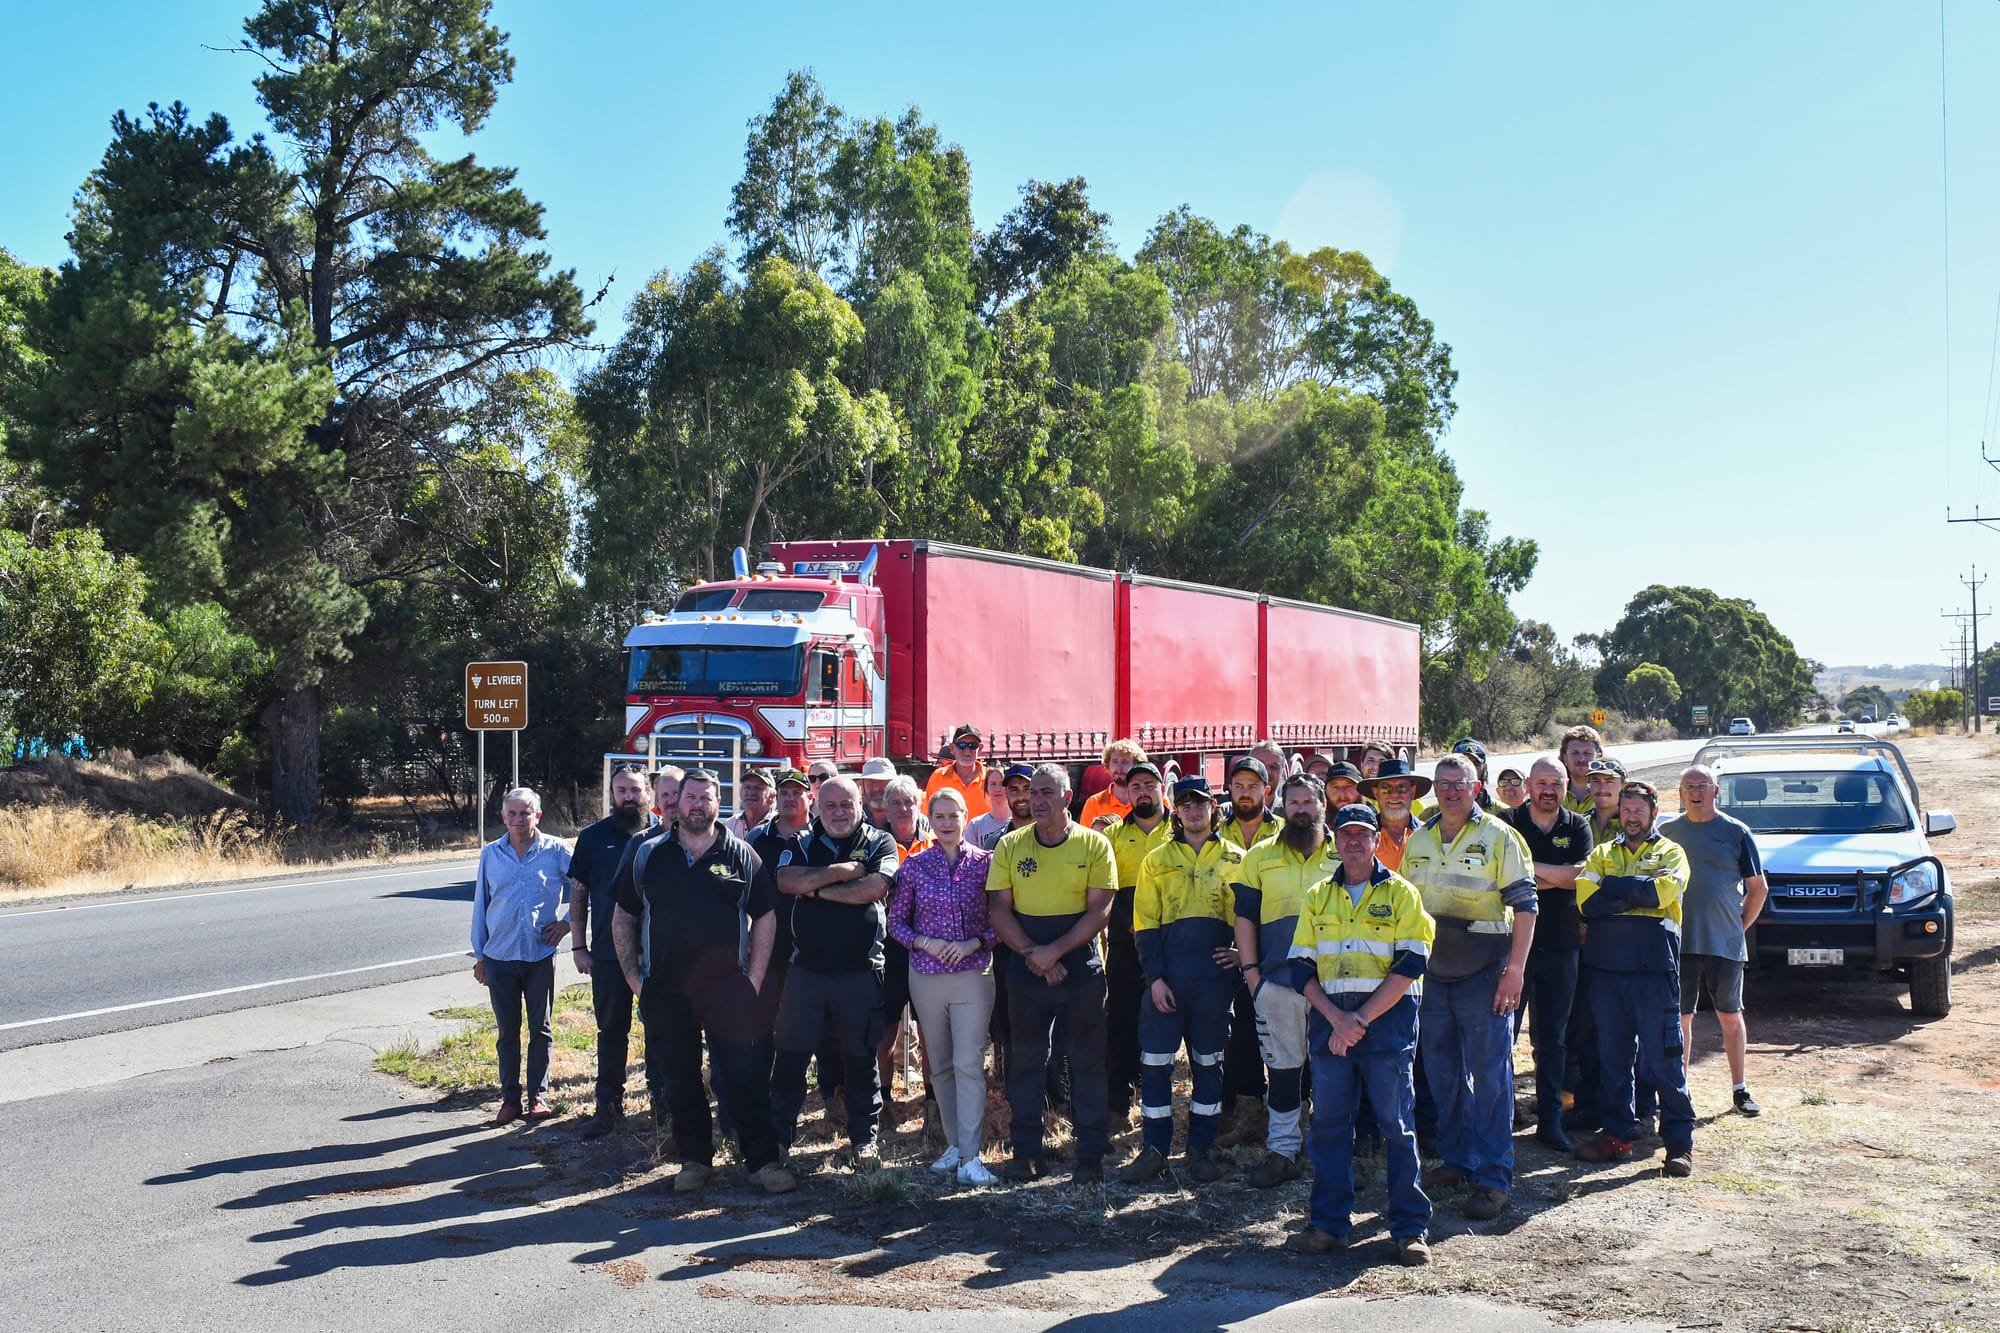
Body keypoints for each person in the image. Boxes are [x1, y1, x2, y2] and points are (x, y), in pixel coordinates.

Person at [609, 771, 796, 1194]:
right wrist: (634, 978)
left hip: (729, 989)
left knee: (743, 1075)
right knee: (680, 1077)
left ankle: (762, 1163)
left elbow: (766, 916)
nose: (696, 805)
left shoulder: (742, 854)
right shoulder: (648, 853)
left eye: (705, 798)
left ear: (717, 803)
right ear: (676, 804)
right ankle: (695, 1160)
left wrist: (755, 977)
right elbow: (623, 915)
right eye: (689, 797)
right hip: (666, 989)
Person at [1281, 802, 1435, 1266]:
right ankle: (1329, 1227)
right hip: (1331, 1022)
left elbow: (1411, 964)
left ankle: (1410, 1230)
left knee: (1396, 1125)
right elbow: (1299, 966)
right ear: (1334, 840)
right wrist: (1337, 1019)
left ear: (1374, 840)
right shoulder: (1316, 897)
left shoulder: (1403, 894)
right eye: (1344, 834)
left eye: (1361, 834)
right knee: (1329, 1125)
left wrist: (1358, 1021)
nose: (1353, 842)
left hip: (1385, 1020)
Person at [1399, 753, 1537, 1221]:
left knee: (1492, 1077)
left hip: (1485, 974)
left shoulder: (1501, 837)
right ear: (1434, 789)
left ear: (1477, 788)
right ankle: (1458, 1162)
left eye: (1460, 783)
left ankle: (1494, 1177)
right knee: (1442, 1076)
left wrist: (1515, 970)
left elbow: (1525, 907)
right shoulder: (1418, 839)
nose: (1452, 791)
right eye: (1444, 784)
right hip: (1433, 977)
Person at [987, 764, 1116, 1183]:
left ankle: (1090, 1156)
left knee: (1087, 1062)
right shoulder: (1011, 846)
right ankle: (1026, 1153)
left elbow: (1100, 910)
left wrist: (1055, 952)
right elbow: (998, 909)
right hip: (1026, 968)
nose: (1035, 800)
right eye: (1029, 793)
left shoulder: (1094, 845)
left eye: (1045, 792)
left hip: (1079, 966)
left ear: (1067, 796)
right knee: (1025, 1062)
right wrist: (1032, 953)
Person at [769, 776, 901, 1168]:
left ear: (860, 804)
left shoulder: (881, 842)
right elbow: (785, 879)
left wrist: (815, 888)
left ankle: (864, 1141)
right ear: (817, 808)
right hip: (806, 972)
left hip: (861, 972)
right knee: (791, 1058)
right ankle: (778, 1141)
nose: (839, 812)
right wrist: (842, 871)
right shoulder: (802, 842)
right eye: (831, 806)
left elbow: (874, 889)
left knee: (861, 1060)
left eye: (846, 804)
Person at [1120, 777, 1245, 1184]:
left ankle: (1200, 1151)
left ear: (1214, 808)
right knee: (1155, 1067)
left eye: (1201, 804)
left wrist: (1244, 957)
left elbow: (1248, 919)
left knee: (1209, 1067)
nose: (1193, 811)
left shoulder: (1237, 859)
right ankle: (1154, 1150)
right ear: (1176, 810)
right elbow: (1145, 926)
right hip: (1166, 982)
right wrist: (1154, 978)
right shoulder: (1156, 860)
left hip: (1213, 984)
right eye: (1185, 804)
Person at [1573, 782, 1698, 1177]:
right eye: (1625, 810)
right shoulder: (1602, 852)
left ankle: (1679, 1145)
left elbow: (1662, 893)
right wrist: (1633, 892)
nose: (1630, 816)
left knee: (1664, 1062)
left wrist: (1611, 885)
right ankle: (1616, 1137)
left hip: (1653, 972)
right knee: (1613, 1059)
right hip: (1607, 972)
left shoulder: (1671, 852)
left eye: (1638, 810)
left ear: (1654, 812)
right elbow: (1586, 902)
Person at [1233, 773, 1341, 1188]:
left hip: (1336, 984)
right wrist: (1252, 975)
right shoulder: (1259, 856)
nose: (1300, 810)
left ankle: (1333, 1155)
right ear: (1281, 806)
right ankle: (1282, 1152)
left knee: (1334, 1071)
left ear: (1322, 806)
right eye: (1292, 802)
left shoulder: (1343, 851)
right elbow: (1244, 917)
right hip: (1276, 982)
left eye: (1308, 803)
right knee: (1283, 1069)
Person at [888, 787, 1000, 1186]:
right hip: (926, 975)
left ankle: (972, 1155)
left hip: (973, 973)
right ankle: (955, 1144)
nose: (948, 823)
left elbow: (999, 921)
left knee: (970, 1062)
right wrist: (925, 942)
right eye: (940, 817)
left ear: (966, 817)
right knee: (942, 1064)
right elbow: (896, 923)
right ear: (929, 821)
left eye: (955, 816)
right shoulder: (916, 866)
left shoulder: (986, 864)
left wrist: (975, 942)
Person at [1662, 764, 1768, 1117]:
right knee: (1681, 1018)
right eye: (1688, 786)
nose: (1695, 792)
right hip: (1680, 940)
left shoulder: (1736, 832)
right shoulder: (1667, 831)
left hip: (1724, 942)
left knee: (1730, 1015)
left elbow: (1758, 889)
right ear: (1680, 792)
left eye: (1702, 786)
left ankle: (1740, 1090)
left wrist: (1738, 926)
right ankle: (1681, 1089)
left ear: (1715, 792)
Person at [1499, 758, 1593, 1150]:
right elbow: (1500, 880)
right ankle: (1500, 1117)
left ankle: (1550, 1121)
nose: (1549, 790)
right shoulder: (1507, 823)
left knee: (1552, 1040)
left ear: (1566, 785)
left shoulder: (1577, 826)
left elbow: (1581, 876)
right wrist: (1557, 874)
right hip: (1512, 949)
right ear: (1529, 785)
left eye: (1556, 783)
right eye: (1542, 783)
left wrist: (1528, 871)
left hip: (1561, 946)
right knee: (1501, 1037)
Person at [470, 787, 571, 1126]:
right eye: (512, 813)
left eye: (525, 813)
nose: (518, 819)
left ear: (537, 816)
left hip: (540, 954)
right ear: (503, 817)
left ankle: (537, 1096)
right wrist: (481, 956)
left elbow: (585, 888)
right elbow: (480, 906)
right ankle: (509, 1100)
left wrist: (567, 924)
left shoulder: (556, 850)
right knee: (507, 1031)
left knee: (540, 1028)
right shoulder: (491, 854)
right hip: (499, 956)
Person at [567, 766, 657, 1138]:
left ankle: (662, 1107)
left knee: (660, 1030)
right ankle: (607, 1108)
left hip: (656, 953)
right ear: (611, 793)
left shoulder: (666, 833)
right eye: (621, 790)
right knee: (611, 1030)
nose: (628, 797)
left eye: (635, 790)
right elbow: (578, 893)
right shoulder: (592, 837)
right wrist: (578, 946)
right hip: (606, 953)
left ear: (648, 793)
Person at [1104, 761, 1171, 1123]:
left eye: (1149, 784)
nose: (1142, 791)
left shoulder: (1178, 830)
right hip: (1126, 941)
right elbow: (1105, 889)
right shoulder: (1114, 836)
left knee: (1173, 1019)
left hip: (1171, 939)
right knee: (1122, 1018)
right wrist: (1130, 924)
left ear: (1162, 788)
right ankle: (1117, 1102)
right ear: (1127, 794)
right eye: (1135, 786)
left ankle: (1166, 1099)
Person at [1217, 755, 1277, 1140]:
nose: (1245, 792)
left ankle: (1291, 1110)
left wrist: (1255, 954)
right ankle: (1247, 1112)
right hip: (1225, 951)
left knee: (1281, 1032)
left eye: (1253, 786)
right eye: (1238, 785)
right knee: (1238, 1034)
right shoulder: (1214, 830)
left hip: (1272, 950)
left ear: (1266, 790)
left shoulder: (1287, 831)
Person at [877, 775, 936, 1142]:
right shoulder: (876, 844)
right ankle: (883, 1102)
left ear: (919, 805)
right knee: (884, 1032)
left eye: (909, 802)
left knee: (930, 1031)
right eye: (895, 802)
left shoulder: (932, 843)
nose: (903, 808)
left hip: (927, 947)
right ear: (885, 807)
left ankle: (933, 1106)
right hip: (888, 949)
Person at [1357, 759, 1429, 874]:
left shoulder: (1430, 834)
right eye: (1386, 788)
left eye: (1402, 788)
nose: (1395, 795)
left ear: (1412, 792)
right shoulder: (1361, 837)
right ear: (1376, 793)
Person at [1081, 739, 1148, 830]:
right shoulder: (1094, 803)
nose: (1119, 768)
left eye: (1125, 762)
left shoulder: (1153, 799)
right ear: (1108, 766)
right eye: (1115, 761)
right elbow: (1085, 840)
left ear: (1137, 766)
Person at [924, 724, 989, 812]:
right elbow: (929, 812)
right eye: (961, 745)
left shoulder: (991, 779)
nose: (967, 751)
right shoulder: (938, 777)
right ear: (952, 748)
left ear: (980, 749)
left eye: (973, 745)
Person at [1558, 725, 1605, 817]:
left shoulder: (1609, 794)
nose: (1581, 759)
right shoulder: (1554, 792)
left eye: (1587, 753)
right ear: (1565, 757)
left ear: (1599, 757)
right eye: (1575, 753)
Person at [965, 764, 1013, 851]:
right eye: (993, 784)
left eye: (1002, 784)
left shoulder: (1021, 822)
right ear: (986, 789)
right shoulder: (975, 825)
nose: (997, 789)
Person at [724, 767, 775, 838]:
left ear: (772, 796)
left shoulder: (778, 824)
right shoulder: (730, 825)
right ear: (740, 792)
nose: (751, 793)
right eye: (747, 787)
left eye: (758, 788)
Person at [1585, 757, 1626, 844]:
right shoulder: (1578, 824)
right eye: (1596, 781)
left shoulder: (1633, 826)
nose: (1602, 789)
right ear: (1589, 785)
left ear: (1623, 785)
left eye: (1609, 781)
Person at [859, 756, 898, 828]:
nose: (876, 788)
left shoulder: (910, 819)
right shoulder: (854, 820)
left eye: (882, 782)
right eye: (871, 782)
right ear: (863, 786)